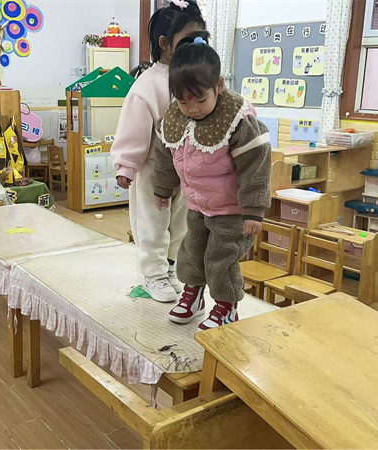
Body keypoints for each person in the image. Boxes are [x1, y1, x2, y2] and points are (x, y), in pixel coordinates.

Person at [154, 35, 272, 330]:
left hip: (232, 211)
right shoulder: (176, 116)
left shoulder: (237, 121)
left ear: (219, 86)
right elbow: (166, 154)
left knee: (220, 259)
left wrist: (255, 210)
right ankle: (193, 296)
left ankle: (226, 306)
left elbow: (256, 164)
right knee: (191, 251)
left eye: (200, 100)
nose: (191, 109)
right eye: (183, 102)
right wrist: (162, 188)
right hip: (198, 205)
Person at [110, 0, 205, 303]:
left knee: (180, 224)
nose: (196, 45)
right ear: (165, 44)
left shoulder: (195, 75)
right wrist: (125, 164)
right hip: (152, 169)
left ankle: (172, 268)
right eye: (188, 40)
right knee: (152, 224)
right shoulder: (147, 85)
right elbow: (133, 128)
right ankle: (153, 275)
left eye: (200, 39)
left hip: (184, 170)